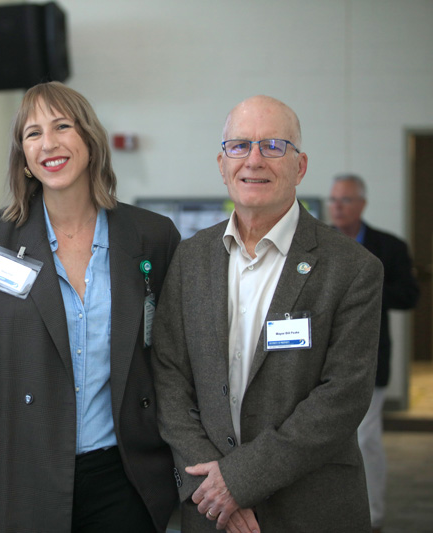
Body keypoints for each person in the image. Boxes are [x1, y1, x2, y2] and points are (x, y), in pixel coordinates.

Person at [0, 81, 180, 533]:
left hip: (125, 477)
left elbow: (173, 362)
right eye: (33, 133)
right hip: (23, 472)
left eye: (61, 126)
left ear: (90, 140)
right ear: (24, 156)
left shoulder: (152, 236)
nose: (48, 144)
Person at [152, 95, 384, 532]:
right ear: (222, 164)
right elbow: (168, 377)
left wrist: (238, 482)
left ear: (300, 166)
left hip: (310, 509)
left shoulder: (352, 268)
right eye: (239, 146)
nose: (254, 160)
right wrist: (214, 484)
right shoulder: (190, 259)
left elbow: (343, 397)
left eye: (273, 146)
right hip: (210, 509)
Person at [328, 173, 420, 532]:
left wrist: (365, 291)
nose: (337, 206)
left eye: (345, 200)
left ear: (362, 204)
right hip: (321, 358)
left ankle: (373, 516)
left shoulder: (389, 246)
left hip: (371, 357)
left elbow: (409, 296)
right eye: (334, 199)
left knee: (365, 438)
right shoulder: (315, 242)